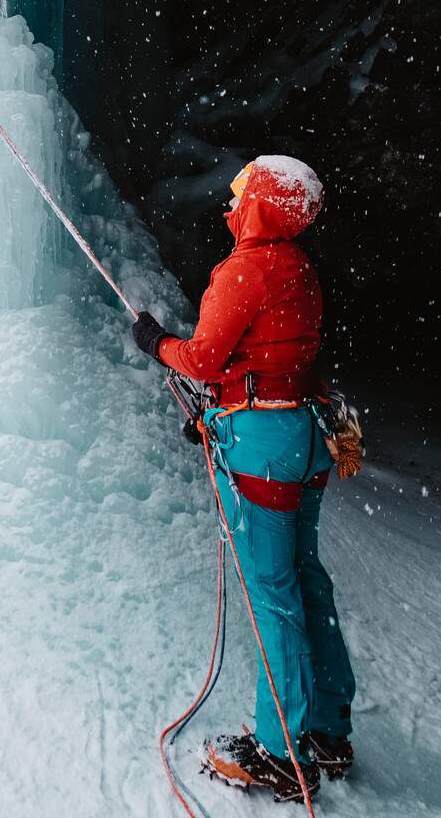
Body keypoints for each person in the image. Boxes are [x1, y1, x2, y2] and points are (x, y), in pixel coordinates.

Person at [132, 155, 355, 806]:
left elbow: (202, 359)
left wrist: (154, 342)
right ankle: (327, 730)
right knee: (307, 581)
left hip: (263, 446)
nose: (231, 207)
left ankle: (280, 754)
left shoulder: (247, 268)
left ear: (261, 206)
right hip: (302, 436)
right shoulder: (300, 269)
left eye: (241, 196)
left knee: (273, 596)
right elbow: (276, 357)